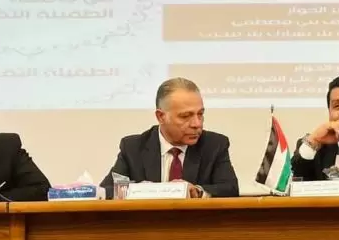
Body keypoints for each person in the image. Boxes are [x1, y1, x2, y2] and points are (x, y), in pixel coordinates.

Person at [101, 77, 239, 198]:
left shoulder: (214, 145)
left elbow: (230, 189)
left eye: (200, 114)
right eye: (185, 116)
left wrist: (197, 191)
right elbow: (106, 191)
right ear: (161, 116)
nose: (197, 124)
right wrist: (148, 190)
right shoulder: (133, 147)